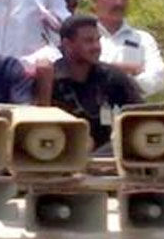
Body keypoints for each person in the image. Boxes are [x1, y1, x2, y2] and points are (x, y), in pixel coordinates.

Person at [39, 14, 144, 149]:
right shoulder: (50, 79)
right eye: (88, 41)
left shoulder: (111, 76)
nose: (96, 47)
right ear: (67, 45)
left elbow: (140, 114)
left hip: (105, 159)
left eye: (98, 40)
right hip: (59, 155)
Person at [93, 0, 164, 97]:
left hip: (130, 112)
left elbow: (157, 79)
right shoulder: (80, 37)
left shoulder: (144, 39)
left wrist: (121, 82)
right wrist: (130, 70)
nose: (119, 2)